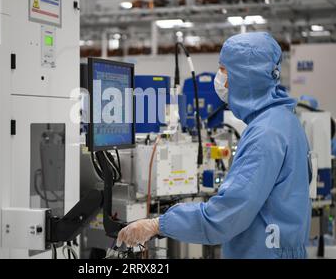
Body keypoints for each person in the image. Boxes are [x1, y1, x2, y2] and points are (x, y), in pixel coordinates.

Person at [116, 32, 312, 259]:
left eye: (223, 70)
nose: (221, 79)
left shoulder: (265, 134)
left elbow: (224, 218)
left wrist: (157, 225)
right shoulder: (285, 121)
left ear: (244, 76)